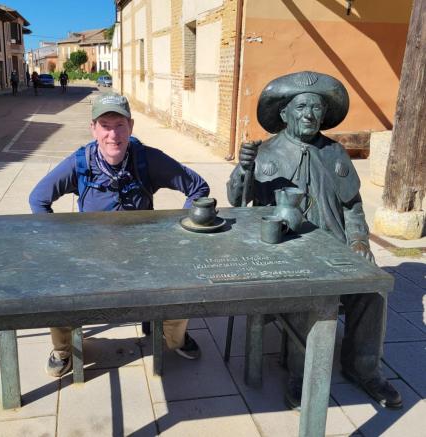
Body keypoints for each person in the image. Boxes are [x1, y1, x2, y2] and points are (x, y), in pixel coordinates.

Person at [227, 71, 402, 410]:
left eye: (317, 108)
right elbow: (237, 202)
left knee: (372, 291)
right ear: (284, 114)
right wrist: (242, 170)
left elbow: (352, 207)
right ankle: (300, 372)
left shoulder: (335, 152)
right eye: (301, 106)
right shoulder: (265, 152)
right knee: (306, 290)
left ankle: (363, 368)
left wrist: (360, 242)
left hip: (334, 247)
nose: (309, 114)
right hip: (285, 250)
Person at [29, 92, 210, 377]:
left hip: (145, 253)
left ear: (131, 126)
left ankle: (173, 335)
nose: (113, 134)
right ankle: (64, 349)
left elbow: (198, 187)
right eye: (105, 125)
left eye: (120, 125)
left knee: (181, 281)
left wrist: (178, 232)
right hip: (91, 255)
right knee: (57, 287)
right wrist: (61, 243)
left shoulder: (147, 159)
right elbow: (38, 199)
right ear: (93, 129)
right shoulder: (80, 164)